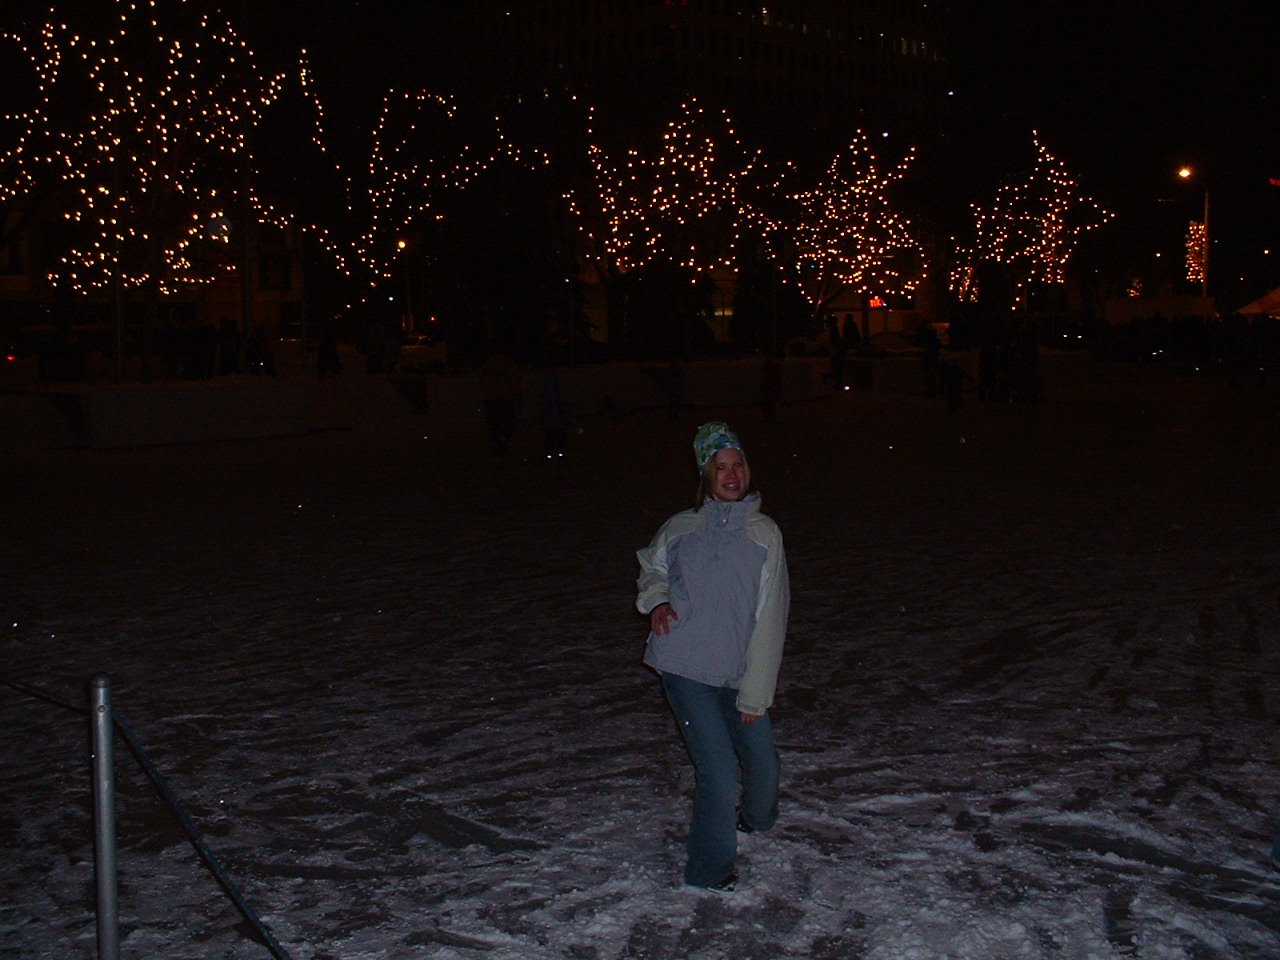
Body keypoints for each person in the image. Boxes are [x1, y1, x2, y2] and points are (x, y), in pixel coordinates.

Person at [635, 422, 790, 892]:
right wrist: (657, 601)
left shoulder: (764, 534)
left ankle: (755, 820)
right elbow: (652, 566)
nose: (731, 474)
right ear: (706, 475)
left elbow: (771, 617)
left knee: (763, 766)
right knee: (718, 770)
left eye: (737, 464)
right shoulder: (681, 527)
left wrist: (756, 692)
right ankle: (710, 870)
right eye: (720, 467)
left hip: (738, 670)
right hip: (684, 664)